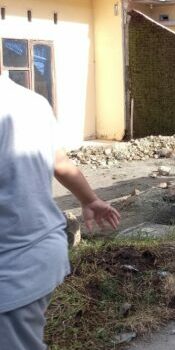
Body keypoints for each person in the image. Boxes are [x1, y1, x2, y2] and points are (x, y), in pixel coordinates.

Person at [0, 72, 121, 349]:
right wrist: (90, 200)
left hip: (12, 268)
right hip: (41, 252)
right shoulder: (33, 102)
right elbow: (60, 162)